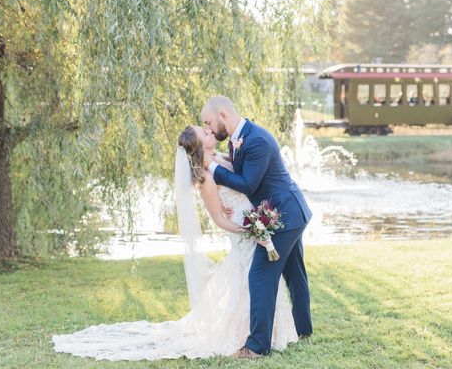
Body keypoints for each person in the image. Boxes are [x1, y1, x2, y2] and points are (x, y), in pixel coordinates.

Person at [52, 125, 298, 361]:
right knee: (250, 280)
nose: (209, 130)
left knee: (258, 280)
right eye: (204, 131)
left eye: (207, 127)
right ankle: (248, 335)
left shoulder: (222, 157)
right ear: (200, 146)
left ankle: (270, 334)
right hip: (243, 232)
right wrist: (249, 229)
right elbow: (219, 219)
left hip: (253, 226)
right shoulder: (206, 178)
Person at [201, 95, 313, 359]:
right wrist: (220, 166)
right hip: (288, 210)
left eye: (208, 122)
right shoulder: (237, 140)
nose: (208, 128)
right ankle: (303, 329)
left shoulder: (257, 140)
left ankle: (256, 346)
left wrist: (213, 167)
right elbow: (241, 176)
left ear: (223, 115)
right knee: (294, 273)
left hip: (286, 214)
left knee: (260, 274)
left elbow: (248, 184)